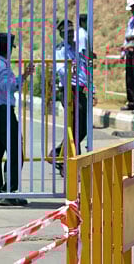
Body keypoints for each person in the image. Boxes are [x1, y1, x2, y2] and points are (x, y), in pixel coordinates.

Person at [0, 33, 34, 206]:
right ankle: (9, 192)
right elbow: (7, 85)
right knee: (14, 151)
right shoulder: (2, 65)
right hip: (3, 111)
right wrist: (23, 76)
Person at [50, 25, 90, 177]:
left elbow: (84, 69)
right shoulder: (60, 50)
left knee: (82, 128)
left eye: (71, 32)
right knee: (74, 127)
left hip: (80, 90)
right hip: (69, 90)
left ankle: (58, 154)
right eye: (66, 33)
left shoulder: (76, 48)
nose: (70, 34)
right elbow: (60, 69)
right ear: (61, 34)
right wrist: (70, 69)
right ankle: (70, 163)